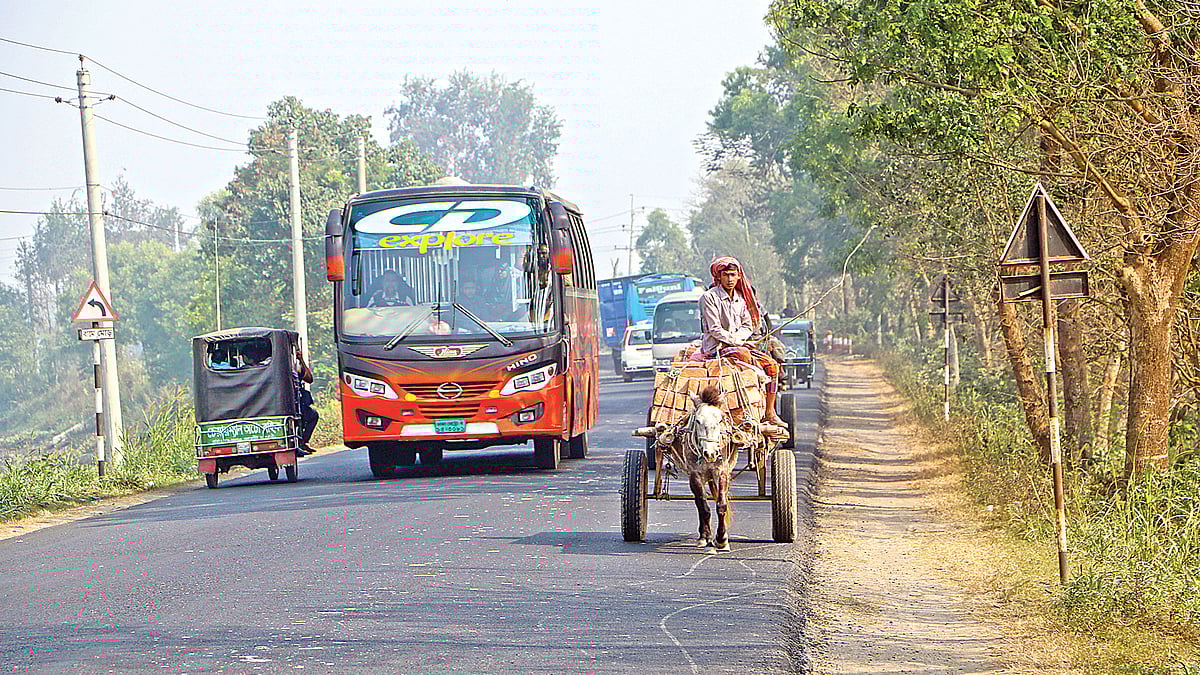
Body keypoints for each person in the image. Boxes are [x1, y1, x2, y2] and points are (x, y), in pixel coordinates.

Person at [693, 256, 786, 427]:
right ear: (718, 277)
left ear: (738, 277)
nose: (730, 279)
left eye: (733, 275)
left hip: (740, 346)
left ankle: (769, 412)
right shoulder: (709, 298)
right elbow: (714, 329)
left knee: (773, 366)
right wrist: (736, 341)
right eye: (726, 275)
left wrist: (741, 339)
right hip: (717, 349)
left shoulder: (741, 299)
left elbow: (748, 325)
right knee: (743, 355)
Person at [294, 345, 319, 456]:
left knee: (313, 415)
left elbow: (309, 379)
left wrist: (301, 360)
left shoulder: (294, 366)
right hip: (291, 402)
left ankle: (303, 442)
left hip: (298, 400)